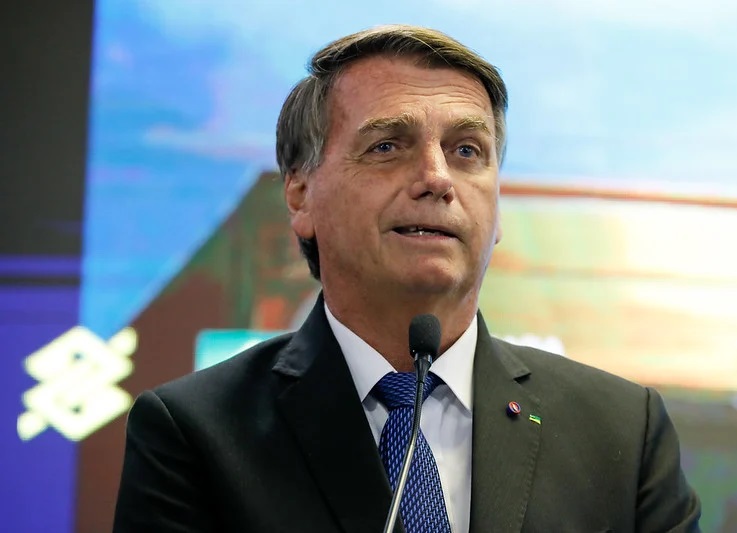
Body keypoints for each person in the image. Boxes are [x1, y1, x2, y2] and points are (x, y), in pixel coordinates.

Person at [113, 25, 701, 533]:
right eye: (388, 146)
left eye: (467, 151)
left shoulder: (622, 431)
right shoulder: (196, 432)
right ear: (300, 192)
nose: (437, 179)